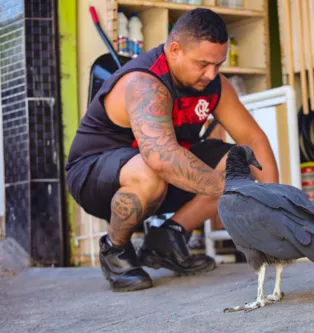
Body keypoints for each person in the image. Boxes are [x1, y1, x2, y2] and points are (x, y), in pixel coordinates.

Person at [65, 8, 279, 292]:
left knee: (237, 163)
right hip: (94, 176)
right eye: (203, 63)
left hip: (159, 175)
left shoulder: (214, 84)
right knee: (150, 172)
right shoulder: (144, 83)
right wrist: (238, 194)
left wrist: (277, 204)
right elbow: (162, 158)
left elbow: (253, 137)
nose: (211, 73)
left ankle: (168, 237)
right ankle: (115, 249)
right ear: (174, 49)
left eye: (218, 64)